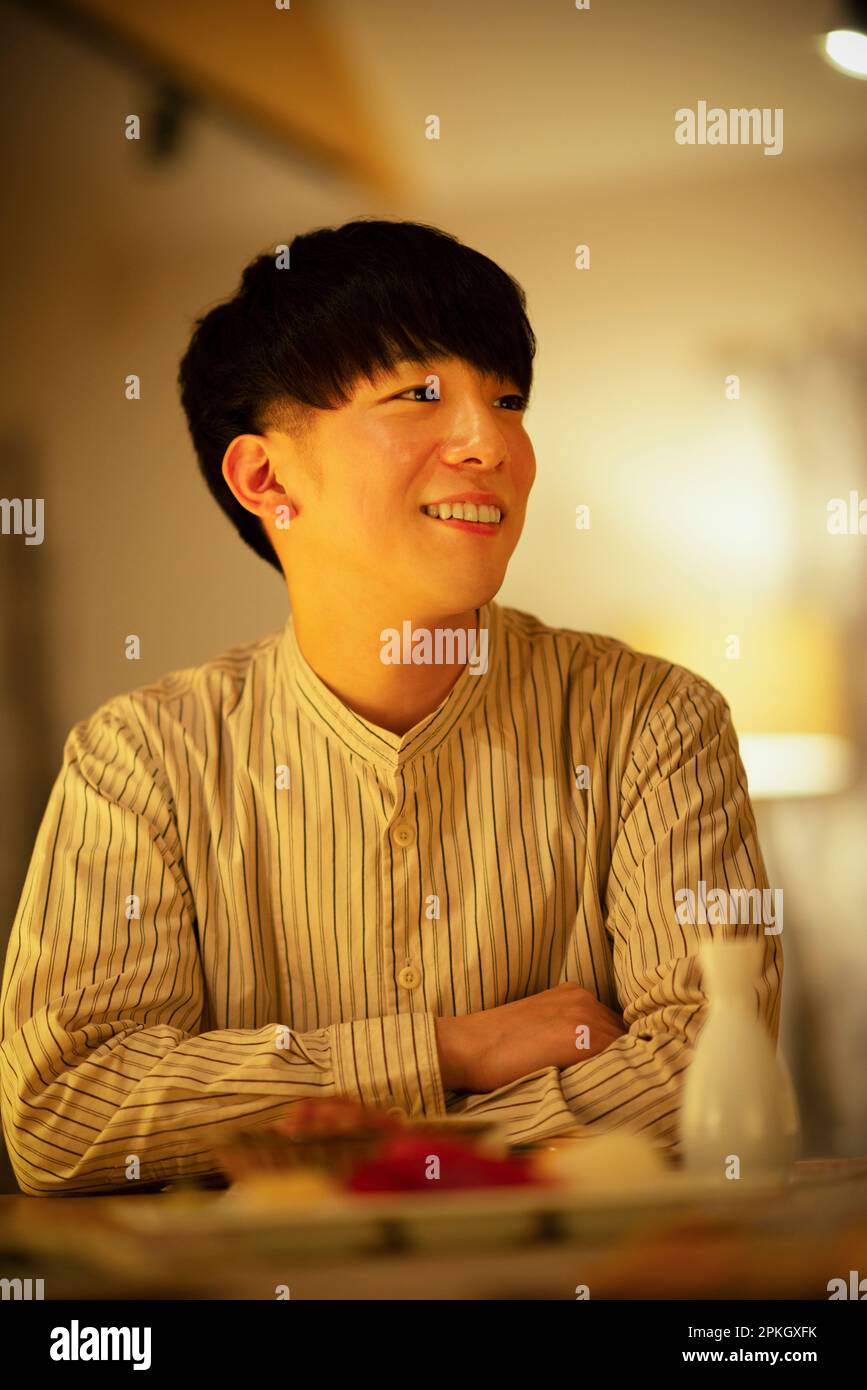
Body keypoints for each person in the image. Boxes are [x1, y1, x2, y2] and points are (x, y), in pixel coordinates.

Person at [0, 219, 782, 1195]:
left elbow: (704, 1068)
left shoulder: (651, 720)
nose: (491, 440)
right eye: (419, 395)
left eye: (506, 399)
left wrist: (360, 1153)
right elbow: (65, 1116)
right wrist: (450, 1048)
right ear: (266, 477)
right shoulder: (141, 760)